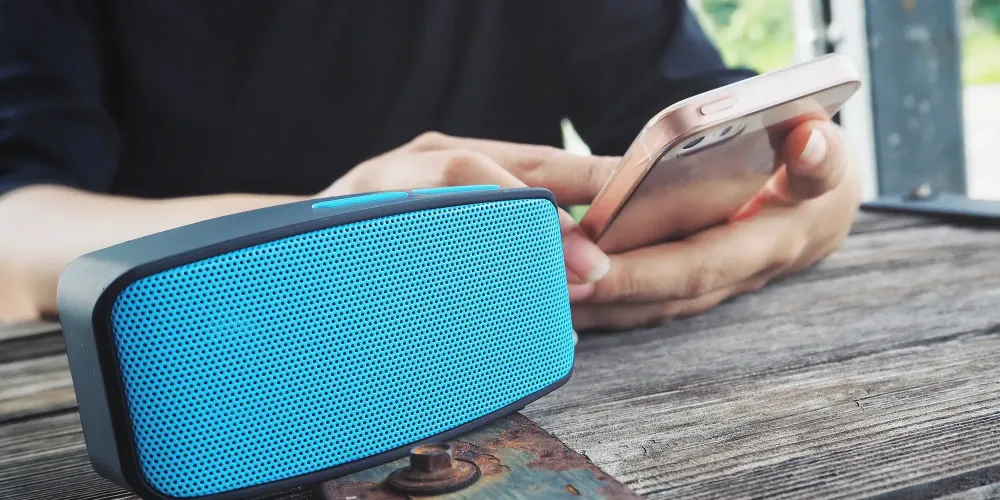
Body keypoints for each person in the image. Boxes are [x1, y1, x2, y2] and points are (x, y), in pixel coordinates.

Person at [0, 1, 860, 329]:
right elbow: (15, 228)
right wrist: (321, 231)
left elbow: (724, 113)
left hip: (518, 352)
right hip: (208, 368)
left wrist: (815, 188)